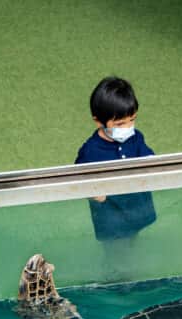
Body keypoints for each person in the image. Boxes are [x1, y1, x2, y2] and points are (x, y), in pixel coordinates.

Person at [75, 76, 157, 242]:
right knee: (117, 256)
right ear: (99, 121)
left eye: (132, 120)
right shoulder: (90, 151)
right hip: (111, 220)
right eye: (120, 124)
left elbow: (150, 160)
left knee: (132, 242)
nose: (128, 127)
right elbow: (77, 179)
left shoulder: (136, 137)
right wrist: (93, 192)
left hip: (137, 211)